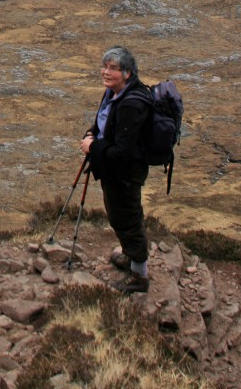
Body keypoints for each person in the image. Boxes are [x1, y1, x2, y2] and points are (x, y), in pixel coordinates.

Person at [80, 46, 153, 294]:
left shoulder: (131, 104)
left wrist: (93, 147)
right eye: (105, 66)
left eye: (113, 68)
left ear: (128, 74)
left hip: (125, 175)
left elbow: (122, 152)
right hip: (114, 172)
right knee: (118, 215)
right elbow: (106, 122)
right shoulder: (114, 93)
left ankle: (139, 276)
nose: (106, 72)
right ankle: (131, 257)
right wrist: (93, 133)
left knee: (127, 219)